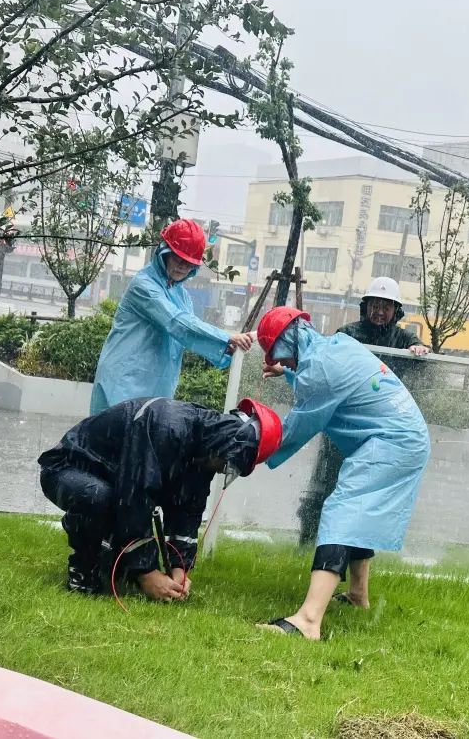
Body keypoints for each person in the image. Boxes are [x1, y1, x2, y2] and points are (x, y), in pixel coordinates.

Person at [256, 306, 431, 640]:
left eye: (279, 354)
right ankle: (358, 594)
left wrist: (255, 451)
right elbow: (324, 382)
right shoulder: (333, 347)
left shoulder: (319, 368)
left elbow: (299, 424)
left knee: (342, 512)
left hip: (391, 443)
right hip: (405, 437)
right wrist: (289, 371)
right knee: (358, 511)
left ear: (288, 342)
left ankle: (308, 621)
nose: (282, 361)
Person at [39, 396, 281, 600]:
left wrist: (180, 568)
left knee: (113, 502)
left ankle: (109, 553)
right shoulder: (166, 426)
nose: (221, 471)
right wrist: (147, 573)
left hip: (112, 480)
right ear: (228, 445)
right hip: (65, 469)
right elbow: (135, 496)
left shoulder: (202, 448)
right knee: (99, 497)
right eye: (228, 465)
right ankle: (83, 571)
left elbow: (188, 509)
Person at [296, 276, 430, 543]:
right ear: (365, 306)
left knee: (365, 485)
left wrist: (419, 348)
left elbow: (422, 353)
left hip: (380, 428)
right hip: (344, 422)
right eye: (375, 305)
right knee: (326, 480)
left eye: (386, 307)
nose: (379, 311)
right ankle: (309, 538)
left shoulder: (402, 337)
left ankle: (351, 541)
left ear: (396, 311)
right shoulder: (348, 333)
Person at [90, 219, 254, 414]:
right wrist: (225, 338)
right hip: (123, 383)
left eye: (189, 263)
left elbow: (189, 334)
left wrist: (227, 348)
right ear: (164, 253)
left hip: (156, 387)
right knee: (116, 432)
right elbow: (176, 322)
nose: (183, 267)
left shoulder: (182, 295)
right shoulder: (144, 286)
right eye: (178, 258)